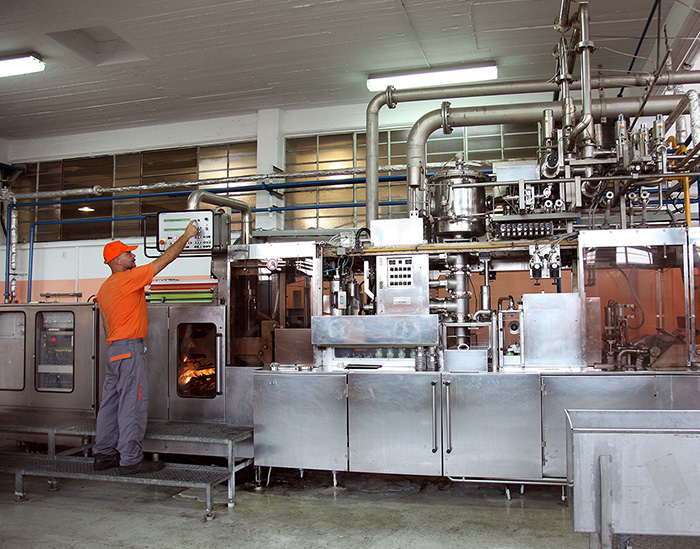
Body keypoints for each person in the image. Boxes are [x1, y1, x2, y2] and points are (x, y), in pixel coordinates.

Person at [93, 220, 198, 475]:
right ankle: (130, 459)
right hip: (129, 350)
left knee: (110, 403)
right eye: (128, 253)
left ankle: (104, 454)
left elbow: (106, 325)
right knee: (132, 404)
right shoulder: (127, 279)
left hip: (114, 351)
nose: (133, 255)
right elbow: (167, 258)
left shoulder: (104, 289)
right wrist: (187, 235)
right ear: (117, 261)